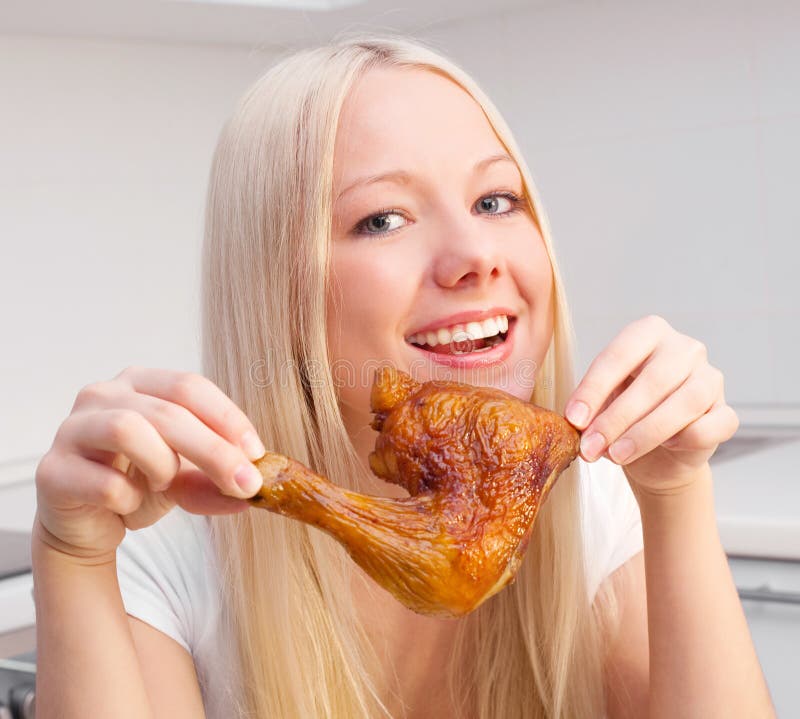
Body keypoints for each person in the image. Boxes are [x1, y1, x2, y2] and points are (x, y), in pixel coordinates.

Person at [31, 33, 774, 719]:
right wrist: (73, 558)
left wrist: (675, 494)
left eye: (495, 200)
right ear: (279, 292)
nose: (475, 254)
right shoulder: (172, 550)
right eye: (383, 218)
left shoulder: (591, 502)